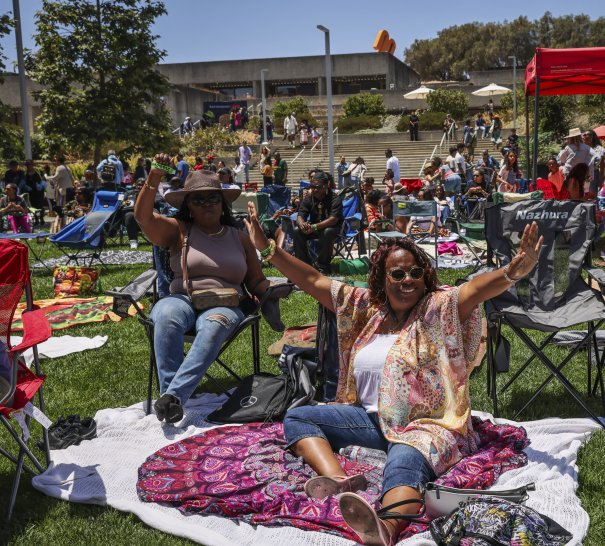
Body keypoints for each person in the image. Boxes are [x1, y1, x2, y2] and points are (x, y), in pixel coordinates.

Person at [243, 202, 543, 546]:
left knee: (405, 459)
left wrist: (514, 272)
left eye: (416, 272)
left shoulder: (438, 308)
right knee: (298, 417)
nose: (408, 280)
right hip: (368, 419)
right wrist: (268, 249)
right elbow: (312, 279)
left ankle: (385, 529)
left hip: (427, 425)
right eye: (398, 274)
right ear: (382, 280)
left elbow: (476, 290)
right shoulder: (365, 308)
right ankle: (342, 483)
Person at [133, 159, 276, 423]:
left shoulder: (239, 237)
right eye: (198, 200)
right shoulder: (178, 230)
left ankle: (173, 398)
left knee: (213, 326)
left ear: (223, 203)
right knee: (166, 315)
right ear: (188, 206)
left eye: (213, 198)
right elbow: (143, 218)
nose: (207, 204)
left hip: (226, 302)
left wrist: (273, 289)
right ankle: (170, 397)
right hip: (182, 297)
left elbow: (256, 280)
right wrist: (153, 177)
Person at [293, 171, 343, 274]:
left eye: (318, 187)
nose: (315, 190)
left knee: (327, 232)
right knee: (297, 231)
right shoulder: (309, 198)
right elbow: (300, 215)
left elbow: (333, 220)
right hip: (315, 228)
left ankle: (323, 266)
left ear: (326, 185)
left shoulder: (335, 198)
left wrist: (314, 227)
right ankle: (304, 266)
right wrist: (302, 224)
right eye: (312, 187)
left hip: (334, 229)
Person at [582, 129, 605, 194]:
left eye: (585, 135)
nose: (583, 136)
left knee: (591, 196)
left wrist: (601, 181)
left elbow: (602, 167)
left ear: (591, 137)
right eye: (583, 135)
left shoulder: (599, 149)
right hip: (582, 175)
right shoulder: (581, 148)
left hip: (594, 176)